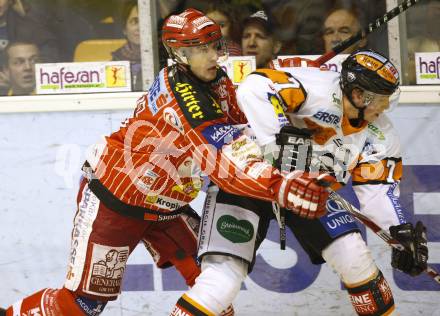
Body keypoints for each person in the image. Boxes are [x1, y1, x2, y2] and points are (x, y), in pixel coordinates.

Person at [2, 8, 331, 316]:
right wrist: (281, 185)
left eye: (215, 46)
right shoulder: (185, 93)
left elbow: (245, 129)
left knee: (213, 289)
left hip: (166, 206)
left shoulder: (216, 81)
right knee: (83, 305)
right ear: (180, 53)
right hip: (117, 201)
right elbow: (227, 159)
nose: (215, 55)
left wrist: (285, 113)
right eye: (204, 49)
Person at [171, 47, 430, 315]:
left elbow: (377, 191)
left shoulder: (381, 135)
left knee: (355, 259)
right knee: (221, 281)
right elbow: (253, 87)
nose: (386, 107)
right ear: (358, 95)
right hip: (250, 181)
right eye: (381, 99)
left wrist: (398, 233)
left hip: (309, 190)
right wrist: (275, 144)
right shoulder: (315, 88)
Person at [111, 1, 142, 91]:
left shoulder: (163, 58)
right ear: (124, 29)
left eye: (145, 22)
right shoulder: (115, 61)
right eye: (135, 21)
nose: (140, 27)